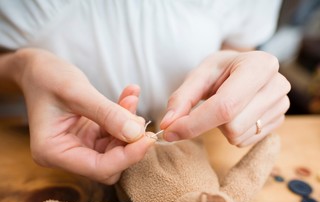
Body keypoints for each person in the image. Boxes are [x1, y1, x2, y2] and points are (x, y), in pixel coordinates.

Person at [0, 0, 290, 185]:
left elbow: (239, 45)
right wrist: (21, 69)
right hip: (19, 158)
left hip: (202, 153)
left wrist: (238, 71)